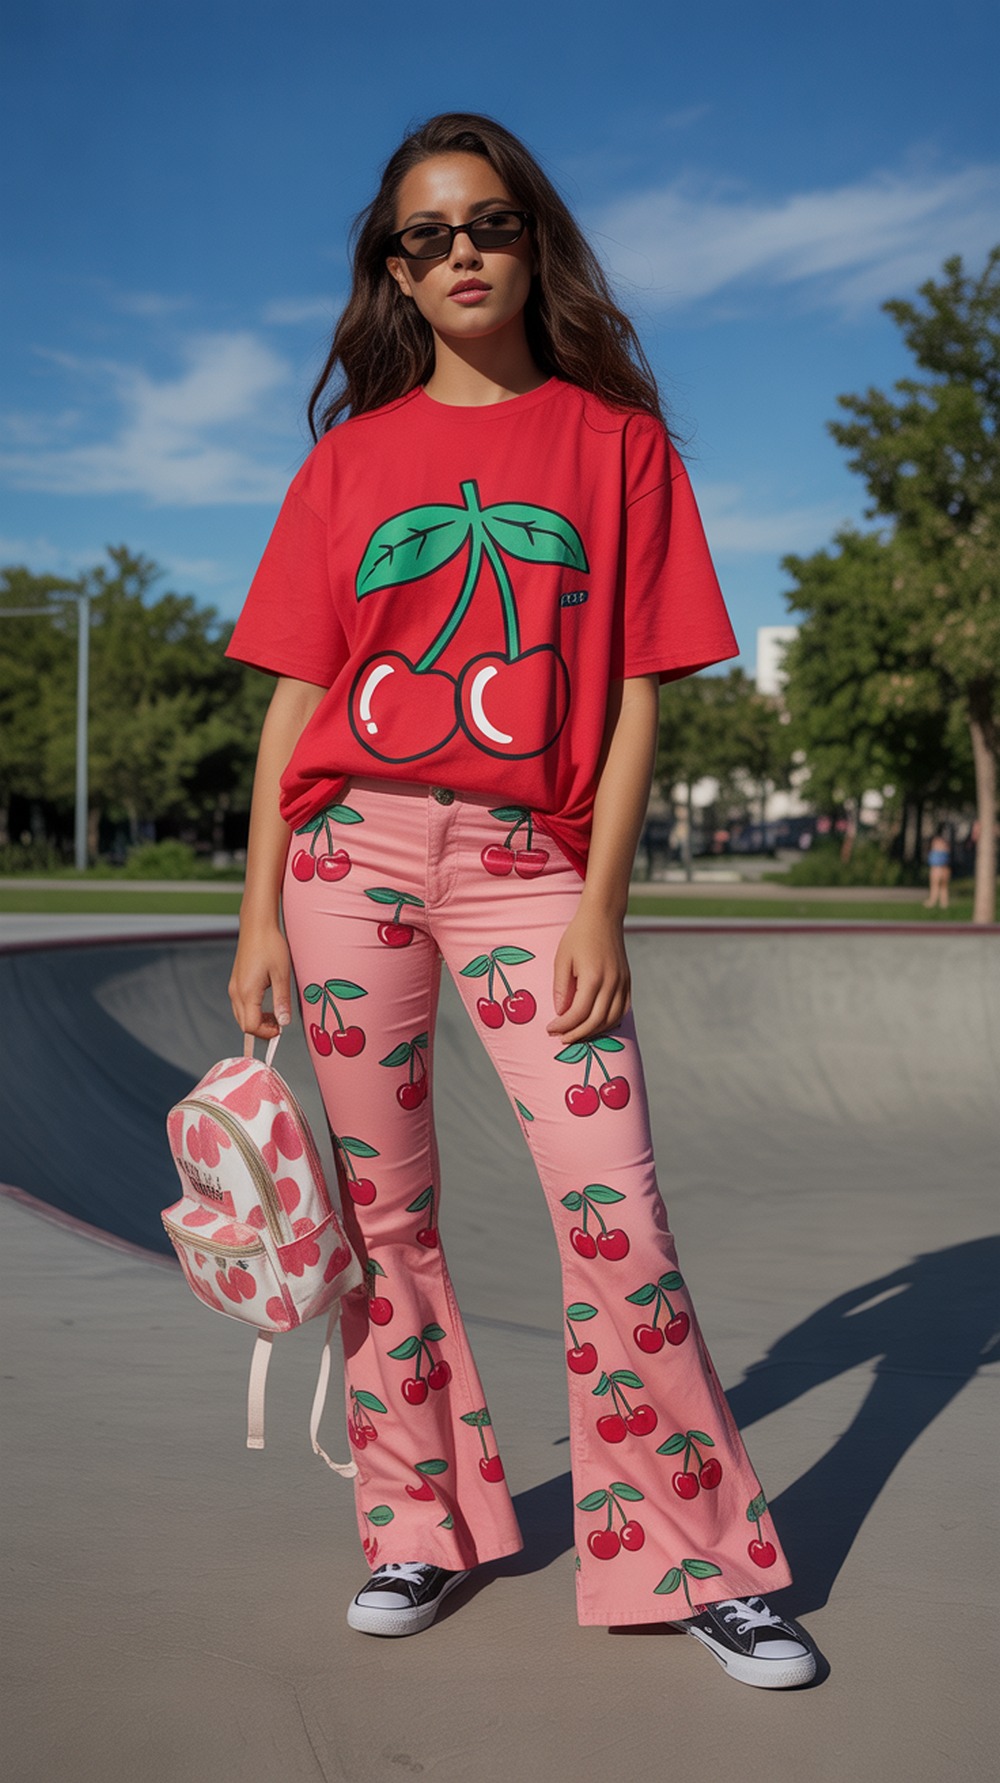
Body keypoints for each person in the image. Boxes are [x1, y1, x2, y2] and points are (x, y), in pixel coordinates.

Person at [225, 112, 816, 1690]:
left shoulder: (617, 443)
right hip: (347, 859)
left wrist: (602, 902)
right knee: (382, 1216)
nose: (462, 251)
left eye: (489, 222)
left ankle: (703, 1559)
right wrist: (261, 915)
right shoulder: (349, 462)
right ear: (395, 274)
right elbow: (295, 699)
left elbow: (634, 699)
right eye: (426, 236)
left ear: (532, 238)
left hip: (528, 867)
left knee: (613, 1204)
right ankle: (416, 1518)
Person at [924, 831, 951, 910]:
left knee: (934, 886)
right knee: (944, 887)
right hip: (945, 869)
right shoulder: (946, 847)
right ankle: (944, 903)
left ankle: (932, 901)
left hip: (936, 869)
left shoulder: (936, 847)